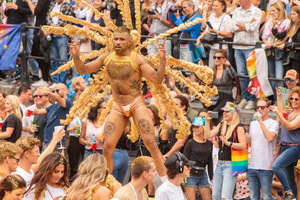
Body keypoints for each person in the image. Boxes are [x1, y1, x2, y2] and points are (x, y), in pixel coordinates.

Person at [70, 26, 167, 179]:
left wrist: (162, 60)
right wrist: (76, 56)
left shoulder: (136, 58)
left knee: (151, 142)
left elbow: (157, 78)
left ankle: (165, 180)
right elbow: (83, 69)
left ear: (129, 42)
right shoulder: (106, 57)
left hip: (136, 103)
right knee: (107, 147)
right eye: (115, 39)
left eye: (122, 39)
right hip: (117, 105)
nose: (118, 42)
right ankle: (107, 182)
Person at [204, 101, 247, 200]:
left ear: (234, 113)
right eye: (224, 111)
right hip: (220, 164)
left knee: (225, 197)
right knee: (215, 196)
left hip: (230, 164)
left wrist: (228, 143)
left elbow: (243, 145)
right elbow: (208, 135)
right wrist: (207, 121)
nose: (224, 113)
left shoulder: (238, 127)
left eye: (227, 111)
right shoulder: (222, 124)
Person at [271, 86, 300, 200]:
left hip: (294, 148)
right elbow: (282, 111)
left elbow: (289, 126)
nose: (293, 100)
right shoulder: (291, 111)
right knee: (290, 178)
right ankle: (293, 197)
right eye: (291, 98)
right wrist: (278, 96)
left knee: (276, 166)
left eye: (296, 99)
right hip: (284, 146)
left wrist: (278, 113)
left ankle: (288, 192)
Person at [231, 0, 261, 110]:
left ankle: (251, 99)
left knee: (252, 74)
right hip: (237, 46)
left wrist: (238, 24)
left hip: (251, 46)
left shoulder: (257, 11)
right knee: (241, 74)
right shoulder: (236, 11)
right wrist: (246, 25)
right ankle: (244, 98)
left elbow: (252, 28)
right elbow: (232, 28)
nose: (238, 0)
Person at [247, 98, 279, 200]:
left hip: (265, 167)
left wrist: (260, 122)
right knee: (253, 197)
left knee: (266, 196)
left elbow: (270, 138)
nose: (259, 110)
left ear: (268, 108)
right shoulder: (253, 124)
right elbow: (251, 142)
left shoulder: (273, 123)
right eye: (258, 107)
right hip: (252, 166)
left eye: (262, 107)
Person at [30, 83, 73, 151]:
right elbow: (38, 112)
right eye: (54, 91)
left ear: (65, 91)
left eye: (57, 90)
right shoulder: (53, 106)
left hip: (56, 143)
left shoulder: (68, 102)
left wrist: (49, 93)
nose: (55, 93)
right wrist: (29, 111)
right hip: (46, 142)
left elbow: (58, 99)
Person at [262, 1, 290, 98]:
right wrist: (267, 43)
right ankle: (275, 99)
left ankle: (282, 99)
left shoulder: (287, 22)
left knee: (279, 78)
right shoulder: (269, 22)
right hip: (270, 51)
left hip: (279, 51)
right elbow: (264, 37)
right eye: (271, 10)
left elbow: (286, 38)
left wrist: (275, 44)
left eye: (273, 10)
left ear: (279, 11)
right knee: (272, 77)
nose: (271, 12)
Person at [197, 0, 232, 68]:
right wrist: (199, 38)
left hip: (222, 47)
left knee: (221, 68)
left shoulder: (226, 17)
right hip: (212, 45)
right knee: (211, 67)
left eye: (216, 6)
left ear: (222, 7)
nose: (214, 7)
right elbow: (207, 30)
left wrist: (216, 32)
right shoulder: (211, 16)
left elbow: (230, 34)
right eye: (213, 5)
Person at [184, 117, 213, 200]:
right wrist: (184, 175)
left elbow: (210, 161)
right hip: (191, 173)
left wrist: (211, 177)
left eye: (197, 126)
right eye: (193, 127)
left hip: (202, 173)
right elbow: (185, 159)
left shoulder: (209, 143)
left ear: (204, 127)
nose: (195, 129)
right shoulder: (190, 142)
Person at [46, 0, 73, 86]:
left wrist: (52, 28)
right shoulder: (52, 4)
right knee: (53, 60)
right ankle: (55, 81)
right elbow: (47, 16)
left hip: (62, 36)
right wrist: (51, 24)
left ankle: (62, 82)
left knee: (62, 60)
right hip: (52, 36)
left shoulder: (67, 5)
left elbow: (65, 22)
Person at [207, 49, 236, 123]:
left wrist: (229, 66)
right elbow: (206, 81)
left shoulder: (227, 70)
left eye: (219, 58)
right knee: (204, 112)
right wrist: (201, 67)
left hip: (226, 97)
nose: (216, 59)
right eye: (215, 57)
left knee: (214, 114)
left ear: (224, 59)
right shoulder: (212, 70)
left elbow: (234, 76)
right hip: (215, 97)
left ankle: (221, 131)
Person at [277, 6, 300, 74]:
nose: (292, 16)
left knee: (295, 78)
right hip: (288, 56)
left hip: (296, 57)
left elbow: (299, 43)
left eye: (294, 14)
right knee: (288, 77)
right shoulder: (291, 26)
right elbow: (279, 35)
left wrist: (286, 44)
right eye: (291, 14)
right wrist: (274, 27)